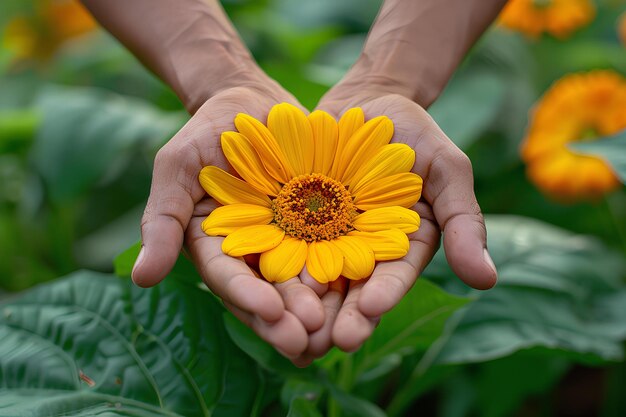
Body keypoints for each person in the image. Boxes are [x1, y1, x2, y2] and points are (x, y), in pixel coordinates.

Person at [82, 0, 505, 366]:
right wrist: (224, 81)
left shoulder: (353, 194)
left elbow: (380, 235)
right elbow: (228, 214)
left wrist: (389, 82)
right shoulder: (272, 195)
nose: (319, 208)